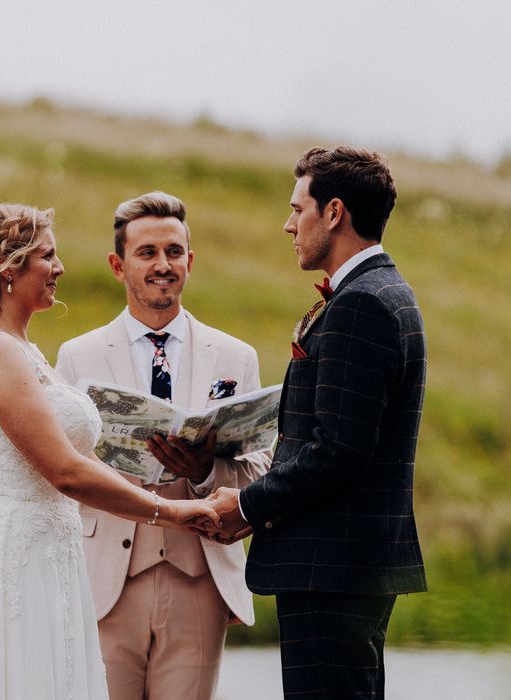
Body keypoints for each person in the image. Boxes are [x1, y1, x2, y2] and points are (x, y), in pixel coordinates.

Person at [0, 203, 220, 700]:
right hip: (14, 553)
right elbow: (66, 472)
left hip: (52, 551)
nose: (60, 268)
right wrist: (170, 512)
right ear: (9, 268)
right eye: (48, 256)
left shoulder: (24, 350)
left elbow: (82, 461)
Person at [203, 147, 428, 699]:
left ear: (333, 212)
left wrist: (248, 506)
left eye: (296, 209)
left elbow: (340, 450)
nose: (288, 224)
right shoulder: (384, 292)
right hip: (350, 564)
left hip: (332, 565)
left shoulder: (362, 304)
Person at [55, 191, 271, 700]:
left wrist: (204, 472)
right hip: (105, 576)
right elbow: (61, 465)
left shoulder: (235, 357)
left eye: (174, 252)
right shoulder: (77, 356)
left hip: (199, 574)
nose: (162, 265)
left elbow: (262, 467)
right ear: (118, 264)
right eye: (147, 252)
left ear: (190, 261)